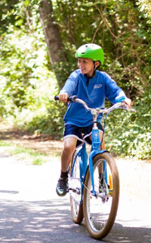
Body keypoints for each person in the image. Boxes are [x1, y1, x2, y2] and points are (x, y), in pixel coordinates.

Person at [55, 43, 132, 197]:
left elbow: (115, 91)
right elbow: (68, 87)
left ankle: (102, 179)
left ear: (96, 63)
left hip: (93, 120)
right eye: (79, 61)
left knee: (100, 143)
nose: (81, 65)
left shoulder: (103, 78)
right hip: (74, 120)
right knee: (69, 146)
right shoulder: (76, 76)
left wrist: (123, 99)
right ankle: (63, 177)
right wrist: (64, 94)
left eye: (85, 61)